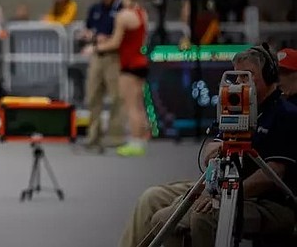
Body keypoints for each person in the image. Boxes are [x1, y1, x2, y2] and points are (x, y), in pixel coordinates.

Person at [118, 46, 297, 247]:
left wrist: (219, 195)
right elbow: (212, 151)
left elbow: (271, 175)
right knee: (151, 199)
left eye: (246, 76)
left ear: (268, 77)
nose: (238, 84)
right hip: (222, 184)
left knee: (188, 217)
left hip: (266, 200)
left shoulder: (286, 115)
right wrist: (214, 153)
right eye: (236, 77)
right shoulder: (239, 107)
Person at [96, 0, 150, 157]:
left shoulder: (123, 15)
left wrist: (98, 47)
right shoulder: (142, 13)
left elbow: (116, 42)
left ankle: (134, 141)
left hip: (129, 65)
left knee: (130, 105)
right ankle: (141, 140)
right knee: (139, 105)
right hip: (140, 62)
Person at [81, 0, 125, 152]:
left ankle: (115, 137)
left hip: (114, 57)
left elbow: (120, 36)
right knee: (93, 97)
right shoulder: (95, 9)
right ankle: (93, 136)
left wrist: (105, 40)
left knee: (116, 98)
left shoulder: (122, 9)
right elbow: (88, 29)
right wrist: (91, 36)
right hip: (96, 57)